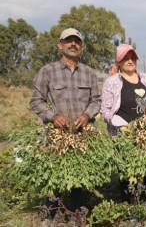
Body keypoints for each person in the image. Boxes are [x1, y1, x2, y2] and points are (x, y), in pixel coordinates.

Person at [30, 28, 101, 219]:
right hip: (56, 136)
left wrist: (87, 115)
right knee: (53, 175)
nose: (73, 44)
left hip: (82, 135)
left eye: (77, 41)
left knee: (79, 175)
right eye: (68, 40)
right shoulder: (47, 71)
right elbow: (36, 101)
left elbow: (97, 100)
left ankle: (76, 214)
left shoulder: (89, 73)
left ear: (82, 46)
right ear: (59, 45)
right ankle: (51, 215)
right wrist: (53, 116)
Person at [100, 43, 146, 201]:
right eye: (125, 58)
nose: (130, 61)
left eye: (132, 57)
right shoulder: (112, 82)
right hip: (124, 137)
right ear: (118, 62)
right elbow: (105, 111)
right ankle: (131, 208)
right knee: (128, 173)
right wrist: (120, 124)